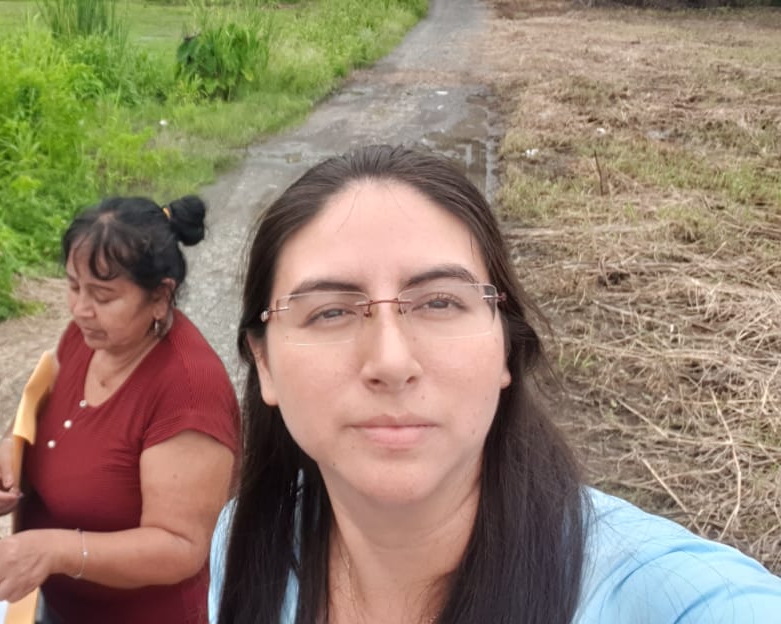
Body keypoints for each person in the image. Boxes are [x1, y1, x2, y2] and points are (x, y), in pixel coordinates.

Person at [208, 145, 781, 623]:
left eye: (439, 302)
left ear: (506, 345)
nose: (390, 360)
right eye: (330, 312)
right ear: (264, 363)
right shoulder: (246, 542)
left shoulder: (673, 599)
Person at [0, 196, 240, 624]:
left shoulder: (189, 392)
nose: (80, 309)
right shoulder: (89, 337)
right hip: (57, 603)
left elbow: (180, 546)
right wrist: (10, 448)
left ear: (160, 296)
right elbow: (42, 402)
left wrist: (56, 550)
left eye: (103, 296)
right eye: (74, 286)